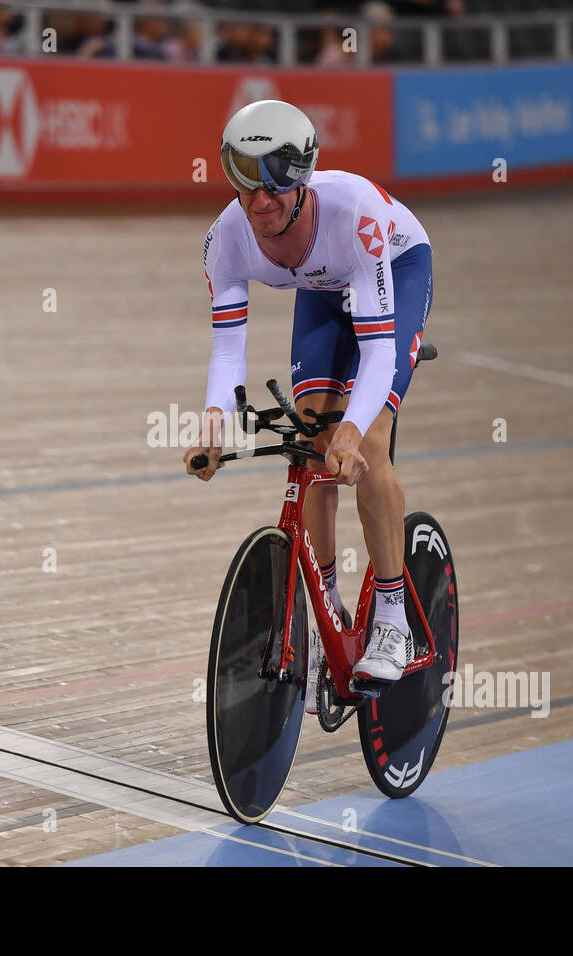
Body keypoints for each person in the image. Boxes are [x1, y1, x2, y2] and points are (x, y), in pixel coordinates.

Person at [184, 100, 434, 713]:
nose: (259, 202)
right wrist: (214, 420)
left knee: (366, 445)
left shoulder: (358, 216)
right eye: (246, 185)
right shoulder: (226, 239)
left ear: (302, 180)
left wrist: (354, 428)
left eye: (275, 187)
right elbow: (227, 350)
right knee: (312, 442)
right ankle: (327, 614)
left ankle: (394, 616)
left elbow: (378, 351)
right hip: (323, 292)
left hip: (391, 269)